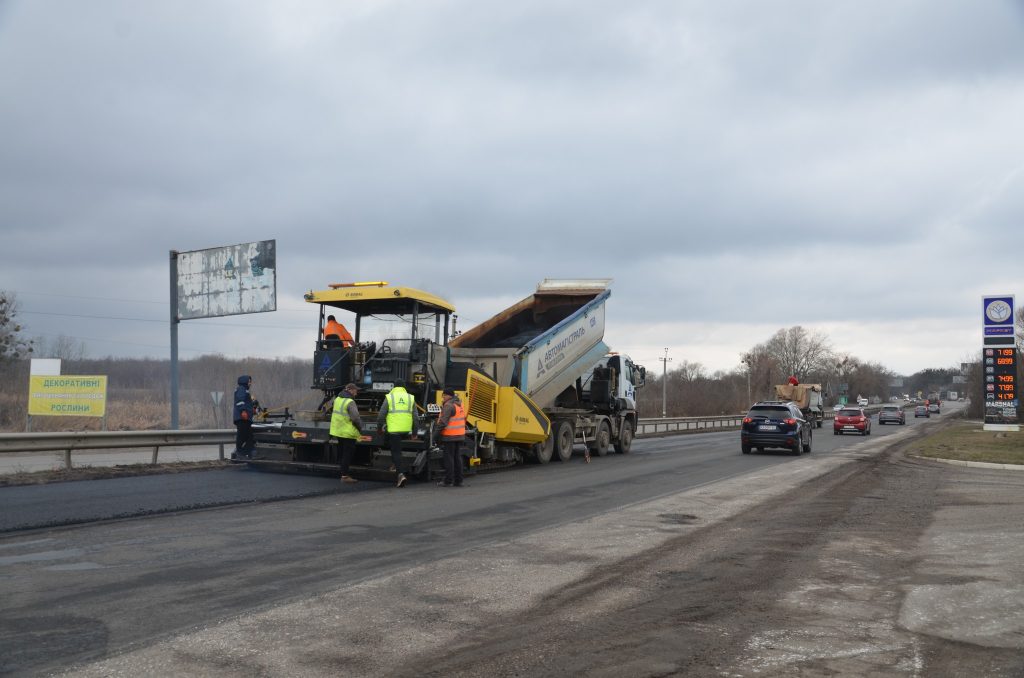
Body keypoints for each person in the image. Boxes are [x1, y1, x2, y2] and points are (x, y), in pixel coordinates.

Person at [377, 378, 418, 488]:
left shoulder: (389, 397)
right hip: (406, 430)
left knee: (396, 451)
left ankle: (400, 474)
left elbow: (381, 416)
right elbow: (416, 417)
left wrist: (379, 428)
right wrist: (414, 433)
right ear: (404, 387)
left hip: (394, 431)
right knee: (395, 447)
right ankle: (394, 464)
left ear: (394, 387)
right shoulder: (410, 398)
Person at [330, 382, 363, 483]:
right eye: (355, 391)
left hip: (339, 430)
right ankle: (344, 476)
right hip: (348, 432)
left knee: (342, 452)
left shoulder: (337, 399)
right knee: (347, 454)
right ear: (349, 390)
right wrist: (360, 427)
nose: (356, 393)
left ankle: (342, 473)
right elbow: (355, 418)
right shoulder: (350, 402)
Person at [435, 388, 466, 488]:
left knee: (449, 459)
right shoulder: (459, 404)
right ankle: (458, 480)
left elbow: (443, 422)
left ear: (449, 396)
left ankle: (448, 481)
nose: (443, 397)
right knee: (457, 458)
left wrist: (435, 434)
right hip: (459, 435)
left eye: (444, 395)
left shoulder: (448, 405)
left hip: (450, 436)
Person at [232, 375, 256, 458]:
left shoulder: (245, 390)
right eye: (249, 381)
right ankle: (239, 452)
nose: (250, 383)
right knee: (242, 435)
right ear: (245, 381)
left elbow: (246, 403)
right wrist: (243, 411)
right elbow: (240, 401)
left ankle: (245, 453)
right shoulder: (241, 389)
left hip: (246, 419)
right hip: (242, 418)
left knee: (250, 438)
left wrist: (252, 410)